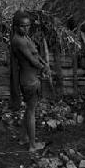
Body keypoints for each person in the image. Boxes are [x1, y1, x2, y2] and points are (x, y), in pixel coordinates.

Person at [10, 11, 51, 152]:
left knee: (29, 109)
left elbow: (36, 54)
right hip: (29, 81)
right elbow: (32, 60)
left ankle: (23, 138)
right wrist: (44, 68)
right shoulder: (18, 40)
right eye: (22, 26)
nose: (25, 28)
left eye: (27, 26)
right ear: (15, 26)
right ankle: (33, 145)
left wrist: (44, 62)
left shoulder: (25, 37)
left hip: (31, 79)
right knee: (31, 111)